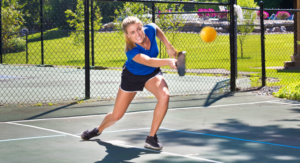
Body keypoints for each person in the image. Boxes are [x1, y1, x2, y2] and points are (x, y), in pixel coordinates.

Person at [81, 16, 178, 150]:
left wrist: (168, 46)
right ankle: (98, 129)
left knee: (164, 96)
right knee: (116, 116)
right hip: (131, 77)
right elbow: (148, 61)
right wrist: (168, 61)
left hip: (151, 74)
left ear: (142, 27)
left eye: (139, 29)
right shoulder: (130, 50)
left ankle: (151, 138)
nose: (137, 34)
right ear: (127, 35)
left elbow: (156, 28)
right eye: (132, 32)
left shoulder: (149, 30)